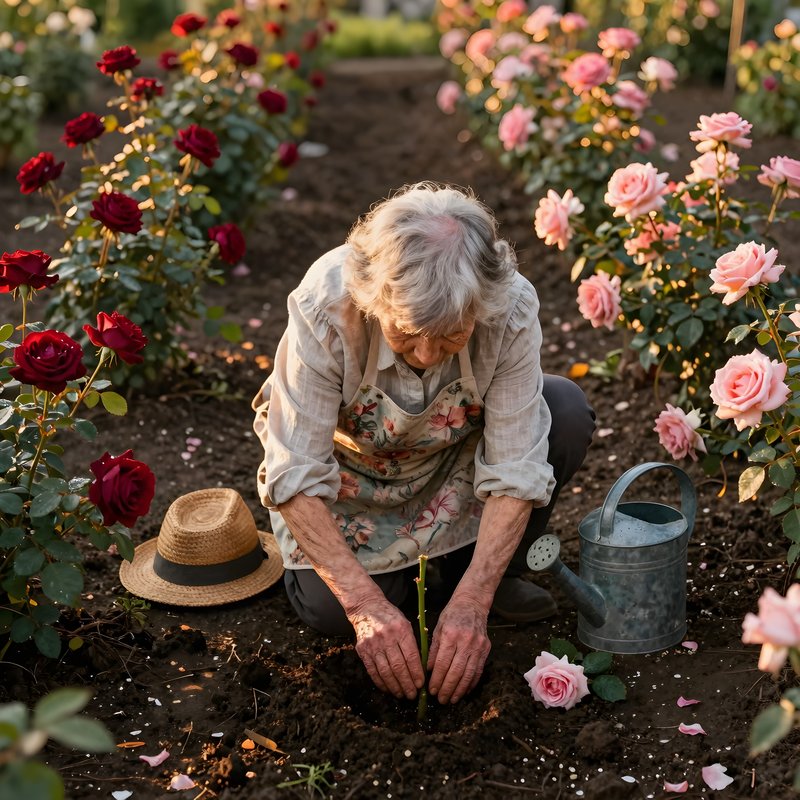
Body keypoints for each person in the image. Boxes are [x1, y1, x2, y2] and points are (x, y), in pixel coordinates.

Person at [252, 183, 594, 706]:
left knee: (564, 410)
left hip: (450, 456)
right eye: (408, 333)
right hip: (353, 475)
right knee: (330, 613)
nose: (429, 353)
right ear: (375, 298)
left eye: (452, 335)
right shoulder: (328, 305)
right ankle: (428, 581)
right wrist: (365, 606)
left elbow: (517, 461)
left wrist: (473, 602)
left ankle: (482, 578)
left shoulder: (508, 305)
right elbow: (296, 471)